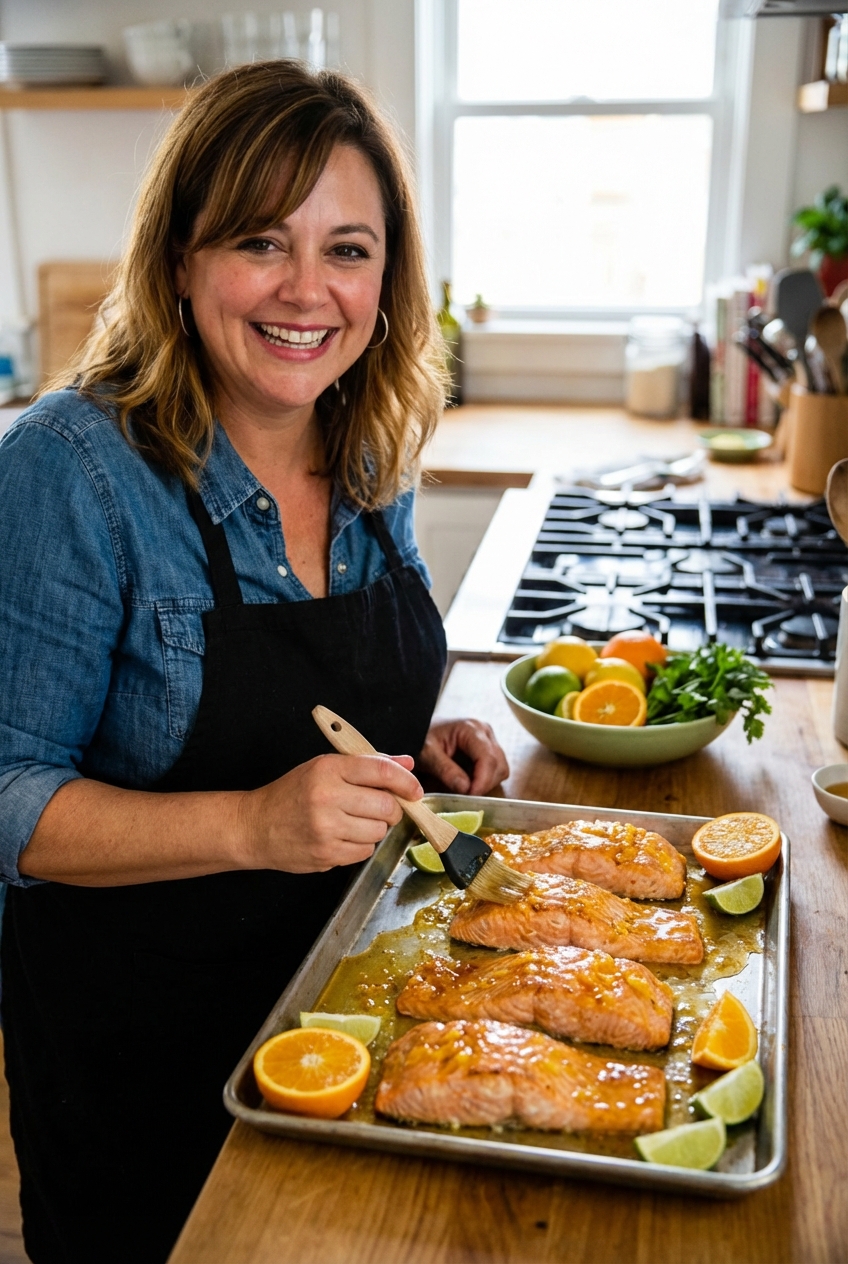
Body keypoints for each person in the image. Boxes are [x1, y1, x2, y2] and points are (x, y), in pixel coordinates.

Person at [0, 62, 508, 1264]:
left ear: (387, 277)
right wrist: (251, 823)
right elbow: (8, 794)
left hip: (362, 1016)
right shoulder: (71, 471)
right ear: (180, 259)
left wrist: (414, 748)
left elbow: (333, 696)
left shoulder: (368, 435)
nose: (306, 291)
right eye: (258, 242)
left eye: (347, 248)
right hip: (144, 1070)